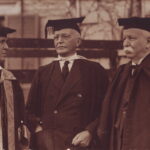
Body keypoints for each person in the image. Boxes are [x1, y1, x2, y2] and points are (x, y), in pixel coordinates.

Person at [26, 17, 108, 150]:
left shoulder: (94, 70)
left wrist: (90, 131)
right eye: (56, 37)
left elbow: (106, 108)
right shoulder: (43, 72)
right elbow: (29, 110)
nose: (59, 41)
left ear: (78, 41)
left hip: (80, 142)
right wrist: (39, 130)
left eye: (65, 36)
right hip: (48, 143)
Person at [97, 17, 150, 150]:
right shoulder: (122, 72)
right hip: (119, 140)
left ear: (148, 42)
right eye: (124, 39)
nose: (125, 43)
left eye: (131, 38)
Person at [0, 19, 26, 150]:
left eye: (6, 42)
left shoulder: (10, 81)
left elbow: (20, 121)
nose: (6, 47)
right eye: (1, 42)